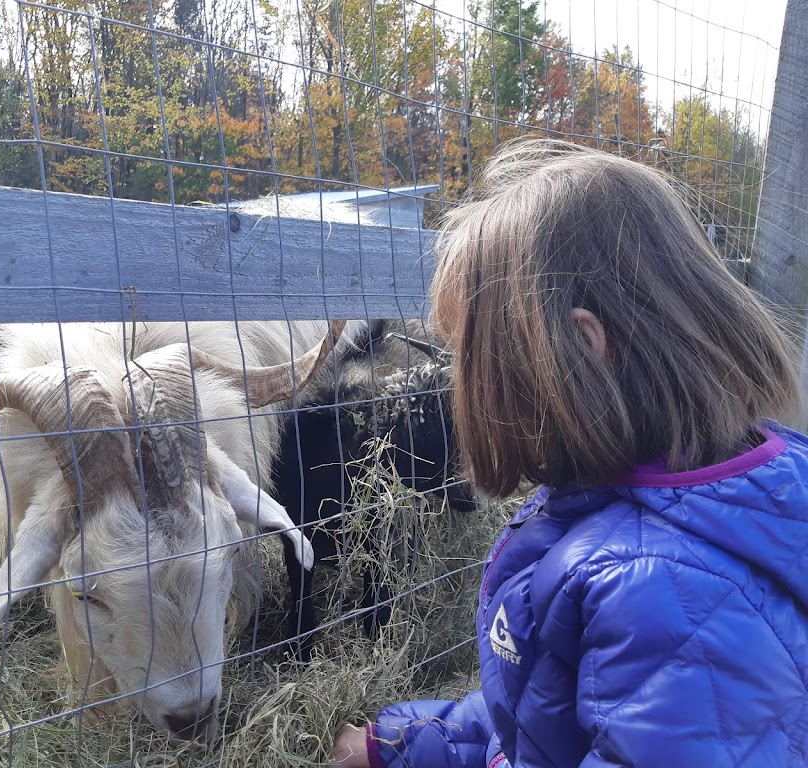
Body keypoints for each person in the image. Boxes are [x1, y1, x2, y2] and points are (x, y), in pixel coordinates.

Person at [329, 138, 808, 767]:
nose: (462, 386)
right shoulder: (643, 512)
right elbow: (546, 712)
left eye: (473, 358)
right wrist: (404, 744)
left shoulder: (667, 595)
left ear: (581, 350)